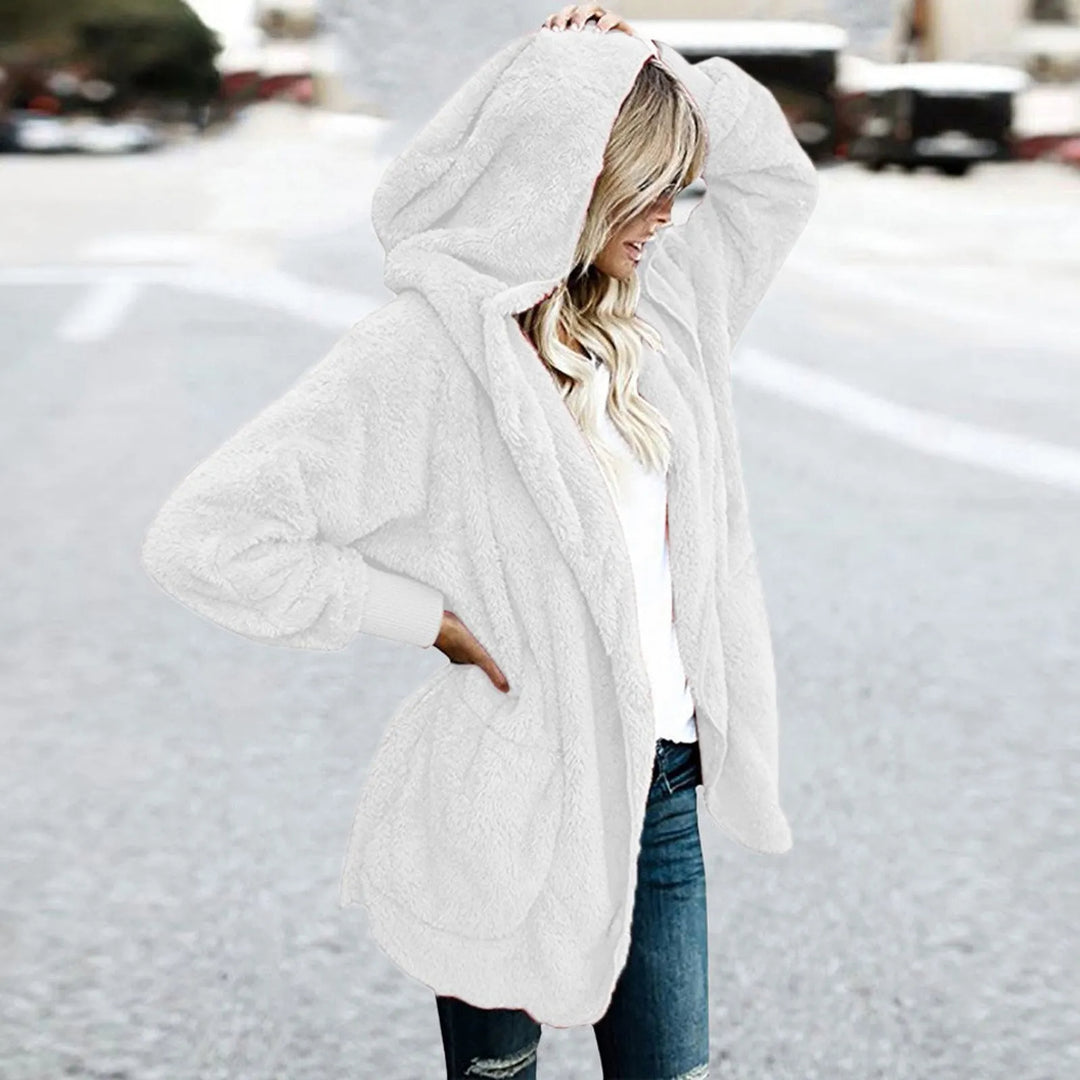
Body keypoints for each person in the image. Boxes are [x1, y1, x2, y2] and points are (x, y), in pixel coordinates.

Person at [140, 6, 819, 1078]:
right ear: (571, 177)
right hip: (506, 802)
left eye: (677, 187)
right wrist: (423, 618)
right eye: (646, 185)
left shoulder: (667, 315)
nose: (667, 216)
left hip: (662, 797)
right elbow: (208, 535)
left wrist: (655, 67)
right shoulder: (426, 353)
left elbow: (776, 181)